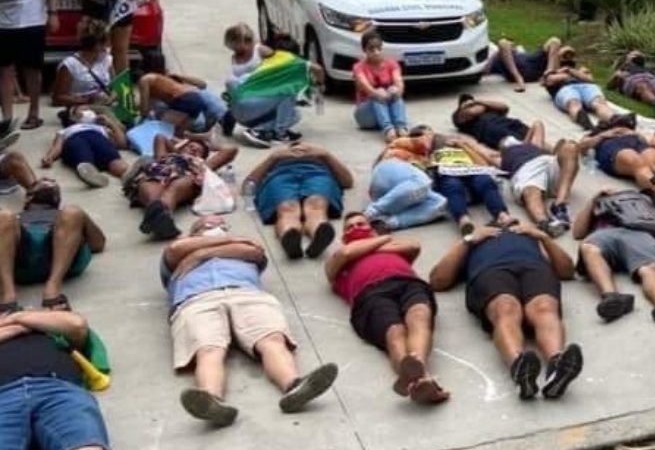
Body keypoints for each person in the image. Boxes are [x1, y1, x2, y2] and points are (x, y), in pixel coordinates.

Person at [160, 215, 339, 427]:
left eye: (220, 225)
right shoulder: (177, 253)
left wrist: (200, 253)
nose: (215, 227)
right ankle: (211, 401)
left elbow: (253, 250)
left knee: (272, 340)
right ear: (192, 233)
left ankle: (294, 386)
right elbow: (173, 251)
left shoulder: (230, 248)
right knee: (208, 350)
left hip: (246, 293)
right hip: (196, 299)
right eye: (207, 225)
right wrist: (225, 243)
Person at [0, 307, 164, 450]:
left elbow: (77, 325)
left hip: (58, 389)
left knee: (85, 447)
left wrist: (20, 318)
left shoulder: (53, 331)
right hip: (3, 395)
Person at [430, 224, 583, 400]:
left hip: (534, 268)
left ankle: (556, 366)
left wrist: (543, 237)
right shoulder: (475, 241)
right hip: (491, 271)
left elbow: (567, 271)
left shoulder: (529, 237)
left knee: (544, 306)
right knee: (505, 307)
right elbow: (437, 281)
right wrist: (468, 240)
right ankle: (519, 367)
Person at [325, 213, 448, 404]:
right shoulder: (336, 259)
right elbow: (345, 254)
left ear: (371, 229)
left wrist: (368, 245)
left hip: (408, 283)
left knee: (419, 316)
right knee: (394, 331)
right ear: (342, 238)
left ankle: (419, 373)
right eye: (349, 227)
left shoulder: (385, 248)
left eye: (360, 224)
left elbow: (414, 246)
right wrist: (384, 238)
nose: (355, 228)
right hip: (370, 294)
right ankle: (419, 381)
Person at [572, 189, 655, 323]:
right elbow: (577, 233)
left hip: (639, 234)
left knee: (648, 268)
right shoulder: (601, 208)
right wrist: (594, 199)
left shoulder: (645, 211)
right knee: (589, 248)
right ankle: (611, 297)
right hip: (605, 233)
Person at [0, 179, 105, 312]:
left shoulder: (66, 216)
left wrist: (81, 217)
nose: (50, 181)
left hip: (63, 254)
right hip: (20, 257)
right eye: (43, 181)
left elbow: (98, 244)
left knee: (72, 211)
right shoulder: (13, 219)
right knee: (3, 216)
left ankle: (53, 287)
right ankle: (8, 295)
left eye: (53, 182)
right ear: (28, 197)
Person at [246, 142, 354, 260]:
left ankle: (319, 233)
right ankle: (290, 236)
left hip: (317, 174)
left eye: (306, 148)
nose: (300, 150)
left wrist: (326, 155)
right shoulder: (277, 160)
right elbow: (248, 185)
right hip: (281, 176)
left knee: (316, 203)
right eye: (294, 148)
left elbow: (347, 182)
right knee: (287, 207)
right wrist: (273, 158)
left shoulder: (322, 160)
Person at [0, 0, 59, 130]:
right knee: (4, 71)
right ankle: (7, 118)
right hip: (2, 23)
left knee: (31, 70)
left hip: (31, 20)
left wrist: (53, 13)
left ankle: (34, 113)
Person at [125, 136, 238, 241]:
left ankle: (163, 215)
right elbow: (160, 137)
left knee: (176, 187)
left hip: (185, 178)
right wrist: (182, 144)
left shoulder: (203, 164)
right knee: (152, 183)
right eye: (190, 147)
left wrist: (211, 145)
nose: (193, 150)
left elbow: (232, 149)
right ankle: (159, 216)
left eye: (198, 151)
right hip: (158, 173)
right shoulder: (164, 156)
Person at [408, 126, 514, 234]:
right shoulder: (420, 151)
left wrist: (463, 145)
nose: (426, 137)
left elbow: (482, 163)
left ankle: (502, 216)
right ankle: (464, 220)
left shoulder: (458, 143)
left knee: (485, 182)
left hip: (470, 169)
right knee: (453, 186)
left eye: (425, 134)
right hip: (446, 171)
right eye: (420, 136)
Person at [578, 120, 655, 199]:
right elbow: (581, 147)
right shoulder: (596, 133)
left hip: (636, 143)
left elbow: (646, 142)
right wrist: (602, 135)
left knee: (654, 158)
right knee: (635, 161)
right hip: (611, 148)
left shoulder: (629, 130)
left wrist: (635, 134)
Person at [364, 139, 448, 232]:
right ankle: (368, 214)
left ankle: (387, 223)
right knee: (421, 182)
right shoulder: (403, 146)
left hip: (405, 191)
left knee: (439, 202)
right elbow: (420, 143)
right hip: (389, 169)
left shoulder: (426, 161)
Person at [41, 105, 130, 187]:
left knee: (113, 158)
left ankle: (128, 173)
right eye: (83, 109)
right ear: (72, 117)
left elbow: (122, 143)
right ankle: (91, 173)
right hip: (76, 139)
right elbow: (57, 146)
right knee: (82, 156)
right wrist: (50, 156)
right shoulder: (66, 131)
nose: (89, 111)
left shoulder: (101, 128)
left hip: (98, 139)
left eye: (89, 110)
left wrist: (111, 123)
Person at [542, 45, 619, 129]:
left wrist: (569, 71)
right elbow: (550, 80)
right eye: (565, 55)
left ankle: (615, 119)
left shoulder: (581, 69)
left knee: (599, 102)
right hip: (565, 89)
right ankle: (583, 120)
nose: (568, 57)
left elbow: (589, 79)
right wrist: (574, 74)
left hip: (586, 87)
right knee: (573, 102)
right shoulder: (551, 71)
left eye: (570, 55)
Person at [353, 31, 408, 141]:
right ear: (365, 50)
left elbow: (399, 83)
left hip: (387, 109)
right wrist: (377, 93)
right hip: (366, 114)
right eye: (371, 49)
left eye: (378, 48)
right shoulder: (359, 67)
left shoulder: (392, 64)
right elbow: (365, 86)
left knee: (393, 90)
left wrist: (395, 91)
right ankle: (388, 129)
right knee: (377, 93)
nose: (376, 52)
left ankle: (401, 127)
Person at [52, 18, 116, 109]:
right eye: (106, 43)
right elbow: (58, 98)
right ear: (97, 44)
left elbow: (115, 87)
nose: (108, 46)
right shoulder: (70, 65)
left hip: (105, 105)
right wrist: (88, 100)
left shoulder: (107, 60)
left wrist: (112, 97)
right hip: (82, 107)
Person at [138, 72, 214, 138]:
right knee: (177, 135)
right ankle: (203, 137)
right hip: (196, 100)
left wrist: (140, 121)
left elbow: (144, 107)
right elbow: (150, 104)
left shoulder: (144, 80)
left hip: (183, 100)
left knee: (164, 133)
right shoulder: (161, 80)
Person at [452, 94, 541, 150]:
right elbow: (472, 112)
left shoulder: (486, 108)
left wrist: (478, 101)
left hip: (509, 123)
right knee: (522, 147)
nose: (471, 104)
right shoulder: (459, 116)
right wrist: (470, 106)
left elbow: (504, 107)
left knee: (537, 137)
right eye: (467, 103)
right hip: (492, 129)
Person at [484, 37, 560, 92]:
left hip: (534, 64)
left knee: (555, 41)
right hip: (516, 69)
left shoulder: (521, 50)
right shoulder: (499, 55)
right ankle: (519, 80)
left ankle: (548, 76)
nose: (511, 43)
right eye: (509, 42)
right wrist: (498, 52)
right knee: (502, 42)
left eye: (511, 42)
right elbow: (486, 70)